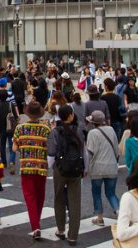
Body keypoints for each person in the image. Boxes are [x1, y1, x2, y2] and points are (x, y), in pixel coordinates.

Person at [46, 105, 85, 245]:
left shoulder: (55, 132)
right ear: (70, 115)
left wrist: (48, 168)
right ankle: (73, 235)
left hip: (60, 168)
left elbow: (51, 152)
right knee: (75, 201)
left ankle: (61, 229)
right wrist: (84, 168)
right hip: (76, 168)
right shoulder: (79, 130)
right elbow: (83, 150)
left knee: (59, 198)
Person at [11, 101, 50, 239]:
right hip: (41, 166)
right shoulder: (45, 129)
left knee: (30, 197)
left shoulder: (20, 128)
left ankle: (35, 226)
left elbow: (14, 148)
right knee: (40, 196)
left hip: (26, 166)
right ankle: (37, 222)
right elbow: (49, 148)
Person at [85, 111, 120, 227]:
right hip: (111, 165)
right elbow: (116, 149)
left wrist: (85, 167)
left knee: (96, 192)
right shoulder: (111, 130)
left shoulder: (92, 133)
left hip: (97, 168)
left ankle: (99, 218)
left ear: (93, 122)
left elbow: (89, 152)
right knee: (111, 193)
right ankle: (119, 213)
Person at [0, 90, 18, 174]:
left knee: (2, 145)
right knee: (12, 145)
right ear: (7, 96)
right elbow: (16, 116)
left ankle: (3, 162)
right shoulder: (11, 105)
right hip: (10, 129)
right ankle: (12, 162)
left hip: (1, 129)